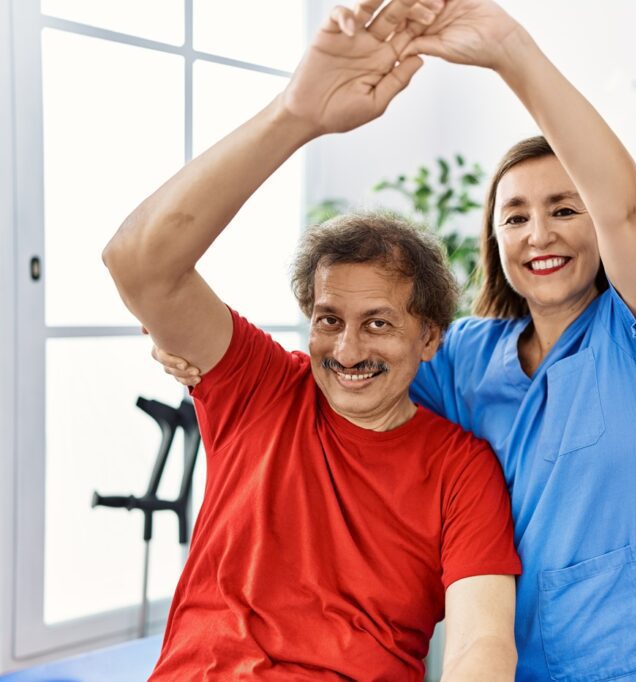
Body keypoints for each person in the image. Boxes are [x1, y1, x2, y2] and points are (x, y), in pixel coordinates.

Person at [157, 0, 636, 679]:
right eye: (516, 216)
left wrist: (509, 49)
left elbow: (624, 206)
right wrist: (203, 360)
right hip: (515, 662)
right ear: (495, 238)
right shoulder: (469, 354)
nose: (540, 234)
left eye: (565, 209)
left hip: (632, 663)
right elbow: (356, 353)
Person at [102, 1, 522, 679]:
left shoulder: (461, 470)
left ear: (430, 339)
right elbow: (139, 263)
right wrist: (297, 114)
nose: (347, 349)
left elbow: (482, 644)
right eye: (329, 318)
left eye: (378, 323)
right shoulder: (261, 388)